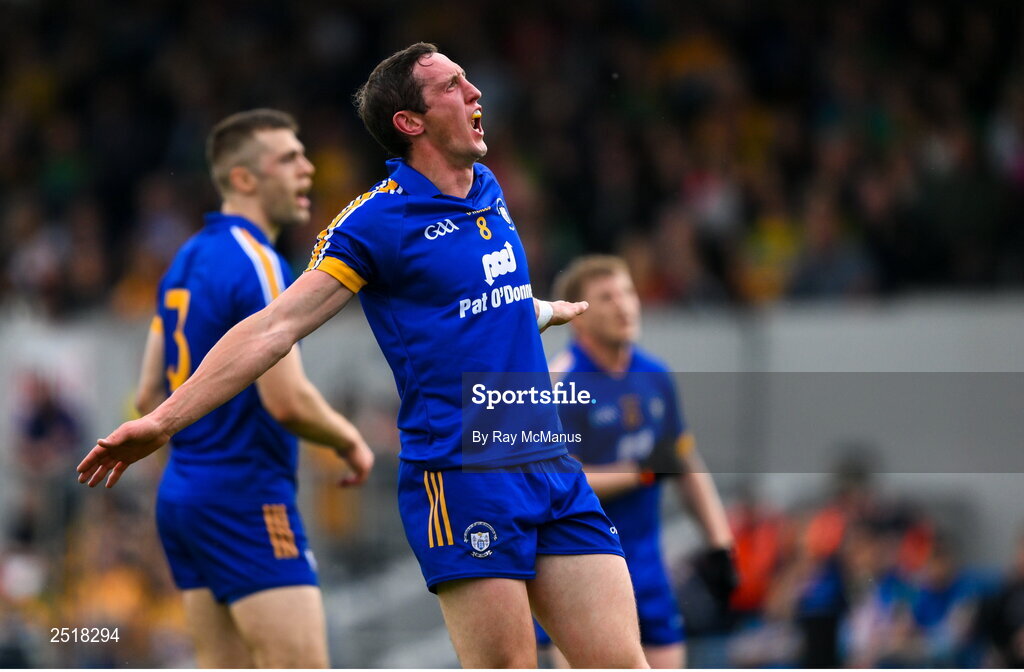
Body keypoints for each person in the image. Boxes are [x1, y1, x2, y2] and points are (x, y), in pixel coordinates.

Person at [78, 44, 648, 668]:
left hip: (551, 464)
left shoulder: (486, 186)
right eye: (455, 86)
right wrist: (161, 421)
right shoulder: (373, 222)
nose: (475, 93)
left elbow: (465, 297)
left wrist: (535, 310)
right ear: (411, 121)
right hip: (463, 477)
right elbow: (274, 328)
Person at [120, 109, 374, 668]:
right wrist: (348, 439)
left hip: (184, 497)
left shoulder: (183, 260)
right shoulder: (259, 261)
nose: (308, 169)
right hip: (246, 496)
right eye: (288, 158)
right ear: (243, 179)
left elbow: (146, 396)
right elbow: (286, 400)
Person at [538, 255, 736, 668]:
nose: (624, 305)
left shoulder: (655, 375)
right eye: (606, 298)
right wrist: (639, 471)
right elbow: (554, 484)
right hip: (579, 567)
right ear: (578, 315)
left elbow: (681, 460)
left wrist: (720, 543)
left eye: (627, 292)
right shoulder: (560, 385)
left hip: (647, 566)